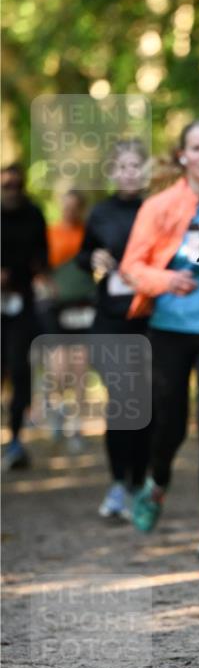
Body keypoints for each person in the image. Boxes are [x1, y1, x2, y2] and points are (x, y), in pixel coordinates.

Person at [120, 120, 199, 560]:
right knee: (169, 426)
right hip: (169, 330)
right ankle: (157, 484)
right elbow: (131, 266)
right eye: (198, 148)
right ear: (183, 156)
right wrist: (164, 279)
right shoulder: (159, 206)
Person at [77, 139, 151, 521]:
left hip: (149, 319)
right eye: (121, 167)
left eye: (135, 166)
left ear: (146, 170)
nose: (129, 173)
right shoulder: (101, 213)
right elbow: (81, 255)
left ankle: (140, 480)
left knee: (147, 402)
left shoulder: (156, 210)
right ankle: (119, 483)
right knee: (121, 399)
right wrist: (93, 257)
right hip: (109, 320)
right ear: (112, 172)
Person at [1, 164, 49, 470]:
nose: (12, 191)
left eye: (17, 186)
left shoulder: (33, 214)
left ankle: (16, 439)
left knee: (20, 369)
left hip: (22, 303)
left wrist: (36, 275)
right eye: (6, 186)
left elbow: (42, 256)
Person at [44, 189, 95, 452]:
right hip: (57, 309)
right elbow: (39, 267)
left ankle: (76, 426)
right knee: (58, 369)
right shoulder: (50, 234)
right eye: (66, 206)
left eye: (75, 207)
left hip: (84, 307)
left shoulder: (88, 235)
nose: (70, 211)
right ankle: (55, 407)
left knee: (79, 367)